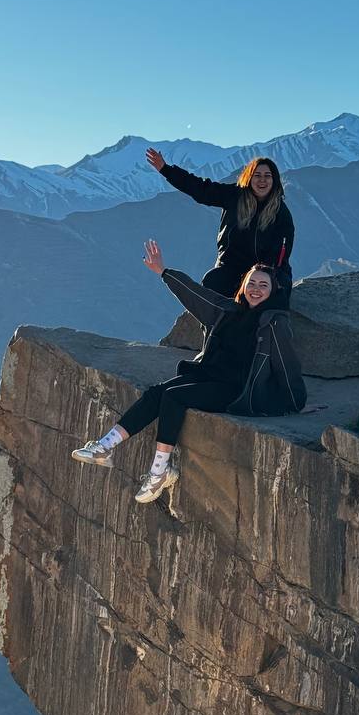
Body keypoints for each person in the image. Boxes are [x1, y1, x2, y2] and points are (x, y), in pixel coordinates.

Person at [72, 240, 308, 504]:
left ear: (273, 291)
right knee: (157, 393)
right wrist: (163, 272)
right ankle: (105, 447)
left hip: (235, 389)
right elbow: (196, 296)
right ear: (243, 285)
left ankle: (159, 471)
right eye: (251, 283)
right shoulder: (228, 310)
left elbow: (287, 365)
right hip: (205, 376)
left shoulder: (274, 324)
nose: (255, 289)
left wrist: (294, 401)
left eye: (263, 285)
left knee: (174, 397)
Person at [145, 148, 294, 304]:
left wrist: (259, 278)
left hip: (266, 272)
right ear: (249, 178)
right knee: (212, 283)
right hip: (230, 267)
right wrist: (166, 170)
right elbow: (201, 189)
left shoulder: (281, 214)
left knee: (280, 288)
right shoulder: (233, 196)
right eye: (257, 175)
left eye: (267, 176)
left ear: (274, 180)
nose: (262, 180)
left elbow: (280, 255)